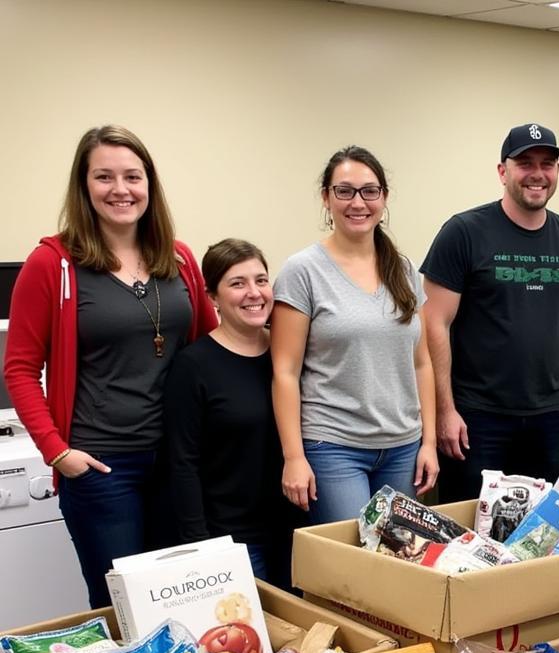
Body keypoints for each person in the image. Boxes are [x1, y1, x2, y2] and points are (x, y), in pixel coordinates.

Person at [3, 125, 217, 608]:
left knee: (184, 601)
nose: (120, 190)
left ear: (149, 185)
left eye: (132, 176)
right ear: (84, 186)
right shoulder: (53, 264)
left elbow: (208, 346)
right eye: (104, 177)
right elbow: (18, 368)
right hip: (102, 466)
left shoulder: (178, 258)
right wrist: (58, 452)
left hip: (176, 462)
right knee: (124, 606)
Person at [421, 123, 559, 502]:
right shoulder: (464, 232)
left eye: (547, 163)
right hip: (477, 419)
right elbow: (434, 323)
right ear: (503, 171)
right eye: (525, 163)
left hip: (552, 416)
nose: (537, 173)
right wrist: (445, 411)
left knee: (541, 534)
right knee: (471, 536)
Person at [271, 146, 438, 524]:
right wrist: (294, 457)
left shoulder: (405, 269)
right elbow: (285, 371)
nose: (357, 202)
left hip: (402, 446)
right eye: (344, 191)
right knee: (353, 566)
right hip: (334, 446)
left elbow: (422, 362)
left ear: (384, 198)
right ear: (326, 198)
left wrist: (428, 442)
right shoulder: (303, 271)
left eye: (369, 191)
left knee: (398, 559)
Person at [163, 239, 301, 589]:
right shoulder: (194, 366)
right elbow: (182, 462)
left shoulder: (290, 354)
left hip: (296, 529)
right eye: (237, 284)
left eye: (261, 280)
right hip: (233, 540)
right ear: (212, 297)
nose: (254, 293)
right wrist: (200, 545)